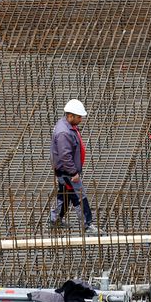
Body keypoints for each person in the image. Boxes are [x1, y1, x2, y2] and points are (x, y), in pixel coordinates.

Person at [49, 99, 103, 234]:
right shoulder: (64, 132)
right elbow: (65, 156)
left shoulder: (66, 125)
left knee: (65, 195)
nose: (81, 120)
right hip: (67, 172)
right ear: (70, 115)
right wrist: (73, 173)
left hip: (64, 171)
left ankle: (55, 220)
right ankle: (87, 225)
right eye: (79, 117)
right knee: (79, 196)